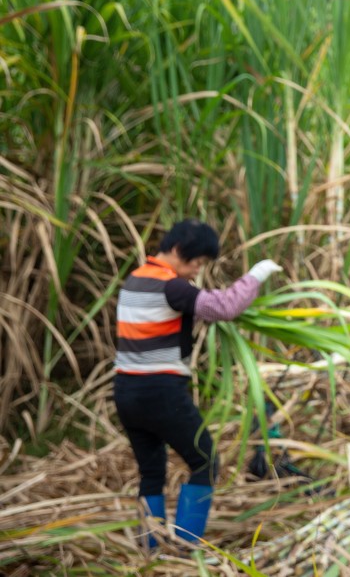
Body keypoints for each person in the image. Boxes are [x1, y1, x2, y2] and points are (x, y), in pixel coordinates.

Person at [113, 219, 282, 550]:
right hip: (160, 392)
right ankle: (187, 548)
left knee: (151, 472)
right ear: (177, 251)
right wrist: (257, 274)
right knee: (205, 461)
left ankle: (152, 548)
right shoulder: (170, 286)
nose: (195, 272)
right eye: (197, 263)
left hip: (126, 393)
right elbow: (224, 307)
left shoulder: (134, 280)